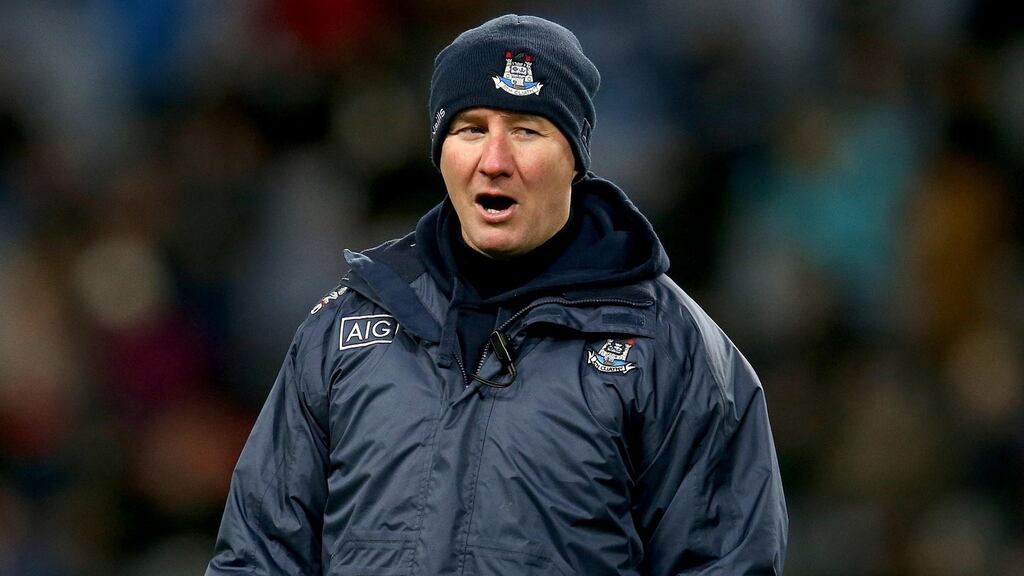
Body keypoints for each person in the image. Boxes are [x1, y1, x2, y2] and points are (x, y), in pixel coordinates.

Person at [207, 14, 787, 576]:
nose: (494, 161)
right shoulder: (344, 328)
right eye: (471, 129)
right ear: (440, 152)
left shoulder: (670, 346)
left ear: (575, 158)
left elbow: (724, 561)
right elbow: (257, 556)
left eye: (526, 130)